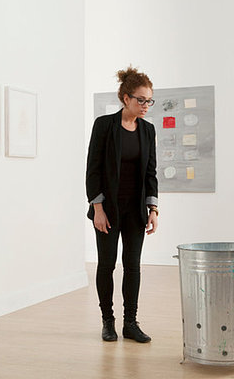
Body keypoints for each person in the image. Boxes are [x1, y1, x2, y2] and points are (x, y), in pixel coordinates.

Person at [86, 66, 159, 343]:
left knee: (133, 265)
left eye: (149, 100)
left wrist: (153, 209)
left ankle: (131, 322)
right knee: (107, 265)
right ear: (125, 98)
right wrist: (98, 209)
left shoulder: (148, 131)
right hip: (108, 209)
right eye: (140, 99)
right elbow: (93, 170)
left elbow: (151, 172)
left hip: (135, 210)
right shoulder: (105, 126)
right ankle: (108, 321)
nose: (145, 106)